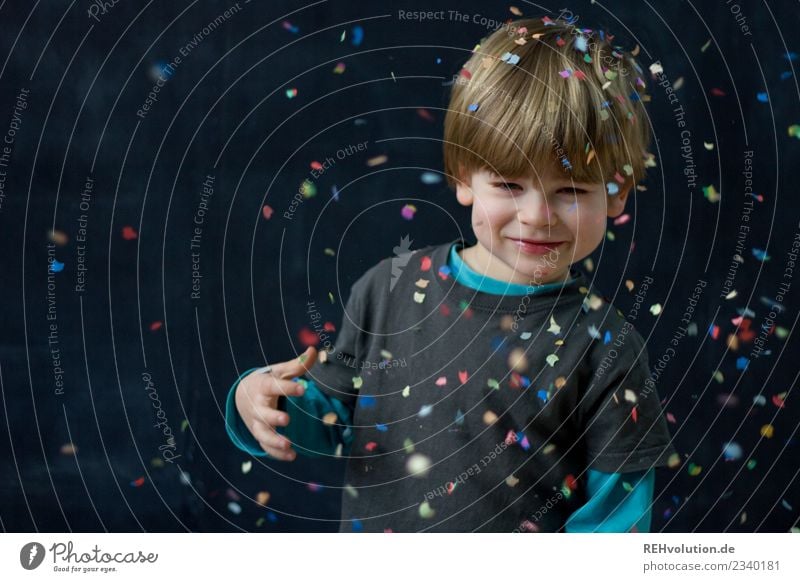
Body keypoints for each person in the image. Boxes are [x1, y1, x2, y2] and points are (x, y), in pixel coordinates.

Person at [226, 15, 678, 532]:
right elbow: (328, 417)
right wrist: (261, 400)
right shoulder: (387, 287)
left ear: (616, 193)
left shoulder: (608, 348)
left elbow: (615, 526)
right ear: (464, 176)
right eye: (509, 184)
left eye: (571, 191)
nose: (536, 215)